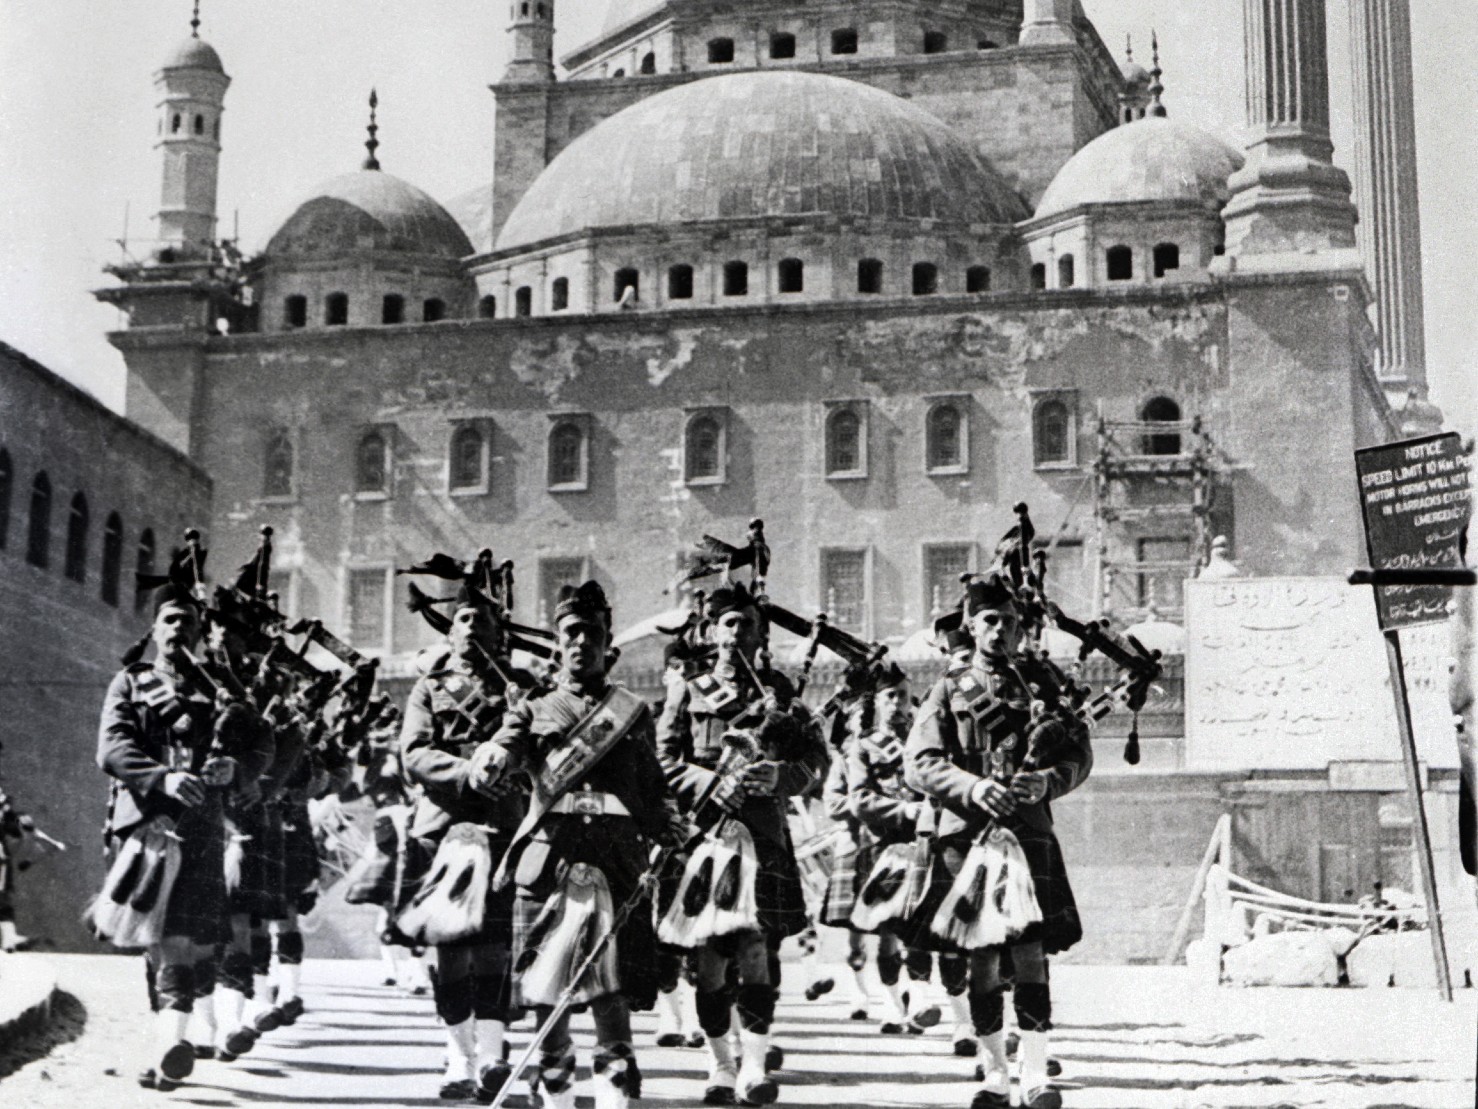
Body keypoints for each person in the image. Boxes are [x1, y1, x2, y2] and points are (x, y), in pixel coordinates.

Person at [469, 580, 680, 1109]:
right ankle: (558, 1101)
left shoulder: (633, 713)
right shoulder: (533, 708)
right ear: (558, 644)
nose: (580, 642)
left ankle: (614, 1102)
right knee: (547, 991)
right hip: (549, 859)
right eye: (571, 634)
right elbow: (506, 747)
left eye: (591, 633)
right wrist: (490, 757)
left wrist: (670, 824)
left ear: (608, 645)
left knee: (611, 993)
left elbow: (650, 788)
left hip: (616, 860)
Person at [904, 574, 1090, 1109]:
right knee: (981, 957)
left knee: (1030, 953)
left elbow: (1078, 753)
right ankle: (994, 1073)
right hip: (966, 831)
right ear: (971, 624)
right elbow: (920, 764)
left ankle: (1036, 1074)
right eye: (990, 620)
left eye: (1009, 622)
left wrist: (1048, 781)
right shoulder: (949, 687)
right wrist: (973, 786)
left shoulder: (1045, 686)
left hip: (1028, 830)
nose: (1000, 631)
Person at [95, 562, 273, 1090]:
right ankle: (170, 1037)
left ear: (200, 633)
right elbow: (112, 748)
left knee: (188, 939)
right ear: (154, 629)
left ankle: (168, 1041)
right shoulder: (130, 682)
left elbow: (260, 740)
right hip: (146, 825)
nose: (180, 631)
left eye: (190, 623)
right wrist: (163, 779)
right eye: (171, 620)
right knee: (162, 939)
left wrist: (236, 769)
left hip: (201, 828)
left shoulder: (219, 692)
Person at [655, 582, 829, 1107]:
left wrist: (780, 776)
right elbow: (663, 762)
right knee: (708, 961)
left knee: (757, 949)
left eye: (746, 624)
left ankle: (755, 1066)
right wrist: (710, 785)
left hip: (763, 836)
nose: (736, 633)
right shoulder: (689, 689)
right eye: (727, 624)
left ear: (760, 632)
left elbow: (815, 765)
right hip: (705, 835)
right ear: (711, 631)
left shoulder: (781, 695)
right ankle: (720, 1063)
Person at [400, 580, 532, 1101]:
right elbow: (414, 752)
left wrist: (507, 759)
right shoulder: (428, 688)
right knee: (451, 950)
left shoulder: (519, 685)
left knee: (496, 949)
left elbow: (535, 742)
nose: (472, 627)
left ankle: (496, 1058)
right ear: (449, 632)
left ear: (500, 632)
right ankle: (460, 1058)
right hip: (446, 827)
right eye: (463, 620)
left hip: (502, 823)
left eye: (483, 620)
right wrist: (466, 771)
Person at [825, 663, 969, 1047]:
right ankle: (895, 1003)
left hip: (930, 844)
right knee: (890, 935)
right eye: (891, 696)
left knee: (941, 932)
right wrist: (906, 811)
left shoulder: (927, 740)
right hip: (887, 848)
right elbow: (859, 798)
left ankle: (962, 1021)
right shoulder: (863, 746)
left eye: (904, 696)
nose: (899, 704)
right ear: (875, 702)